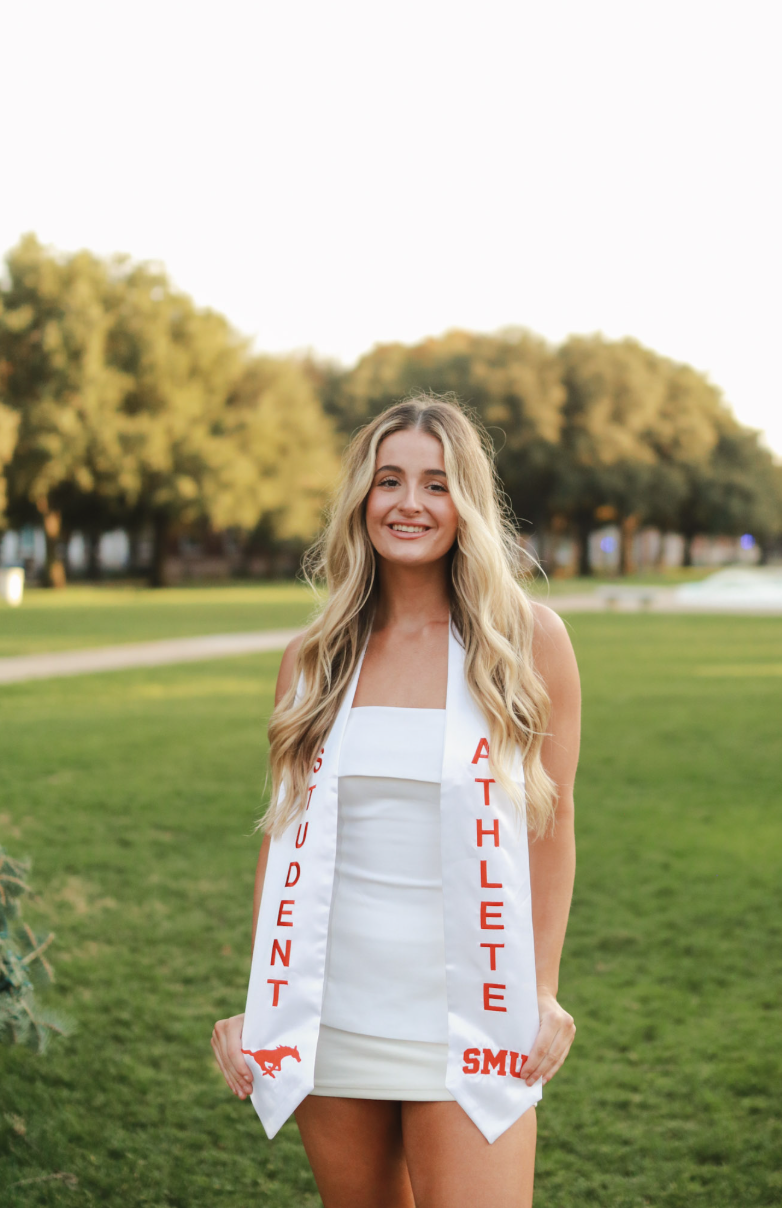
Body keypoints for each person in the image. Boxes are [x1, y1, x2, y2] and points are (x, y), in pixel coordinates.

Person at [212, 394, 580, 1208]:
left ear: (467, 505)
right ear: (362, 499)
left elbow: (549, 828)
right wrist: (259, 1003)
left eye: (436, 484)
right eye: (389, 481)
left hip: (474, 1015)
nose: (409, 503)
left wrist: (542, 987)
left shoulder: (526, 644)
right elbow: (282, 842)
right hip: (331, 1013)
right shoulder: (314, 658)